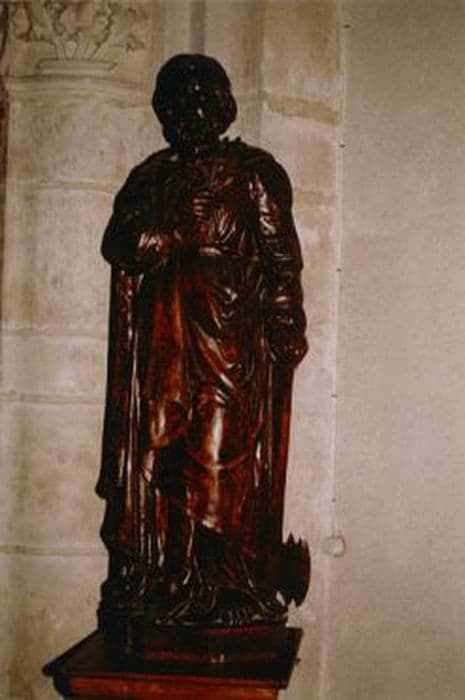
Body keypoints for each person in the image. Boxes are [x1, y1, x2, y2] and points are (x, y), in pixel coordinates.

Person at [97, 54, 308, 628]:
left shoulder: (252, 173)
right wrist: (171, 232)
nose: (189, 113)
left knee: (217, 456)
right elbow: (120, 243)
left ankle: (226, 583)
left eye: (200, 101)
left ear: (221, 106)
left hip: (228, 339)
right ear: (164, 112)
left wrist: (286, 320)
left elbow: (282, 261)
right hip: (164, 340)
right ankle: (169, 581)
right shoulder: (151, 177)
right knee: (162, 451)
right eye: (177, 103)